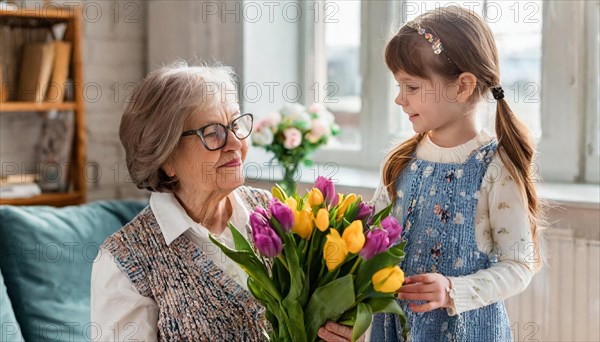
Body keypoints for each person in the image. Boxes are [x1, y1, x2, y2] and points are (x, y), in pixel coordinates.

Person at [90, 61, 355, 341]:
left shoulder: (271, 212)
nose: (235, 143)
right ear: (165, 157)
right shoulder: (125, 260)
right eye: (213, 133)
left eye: (236, 124)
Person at [369, 6, 544, 341]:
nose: (399, 99)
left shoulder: (496, 167)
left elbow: (519, 266)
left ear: (463, 86)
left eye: (412, 87)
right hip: (395, 328)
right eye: (398, 86)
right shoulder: (401, 160)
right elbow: (372, 240)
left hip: (468, 331)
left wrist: (452, 290)